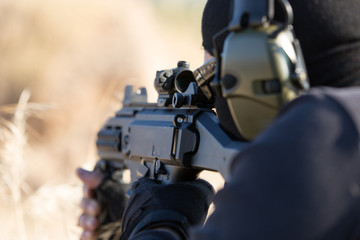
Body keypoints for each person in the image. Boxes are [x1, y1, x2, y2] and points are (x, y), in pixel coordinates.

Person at [77, 0, 360, 239]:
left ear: (258, 72)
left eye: (216, 82)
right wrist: (123, 216)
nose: (210, 103)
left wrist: (157, 220)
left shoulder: (318, 144)